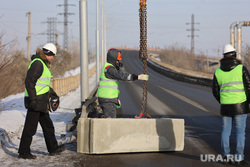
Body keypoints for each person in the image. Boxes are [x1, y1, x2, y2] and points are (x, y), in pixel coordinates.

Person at [18, 43, 67, 159]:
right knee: (30, 128)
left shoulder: (43, 64)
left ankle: (53, 148)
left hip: (41, 102)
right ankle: (23, 152)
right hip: (35, 102)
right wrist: (33, 99)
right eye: (52, 56)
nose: (53, 58)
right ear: (47, 54)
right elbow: (29, 82)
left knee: (48, 126)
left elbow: (42, 83)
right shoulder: (38, 64)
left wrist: (50, 92)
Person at [212, 44, 250, 165]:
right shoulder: (241, 68)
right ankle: (239, 158)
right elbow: (249, 86)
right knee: (240, 132)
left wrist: (223, 100)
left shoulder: (217, 71)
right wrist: (246, 101)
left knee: (225, 130)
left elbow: (215, 90)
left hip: (225, 106)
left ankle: (226, 156)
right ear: (234, 55)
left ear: (224, 56)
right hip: (240, 105)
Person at [97, 48, 148, 118]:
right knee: (110, 121)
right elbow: (121, 76)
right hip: (107, 99)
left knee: (109, 118)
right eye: (118, 59)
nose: (119, 61)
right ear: (113, 59)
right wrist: (137, 77)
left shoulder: (109, 67)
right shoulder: (109, 69)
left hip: (108, 98)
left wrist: (116, 98)